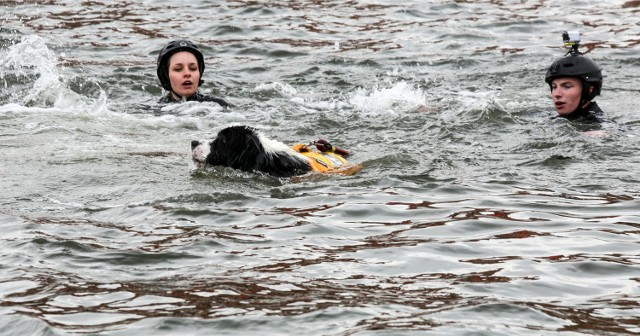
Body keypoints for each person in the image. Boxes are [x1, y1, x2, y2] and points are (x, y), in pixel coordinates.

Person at [544, 32, 603, 123]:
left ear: (590, 90)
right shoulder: (548, 115)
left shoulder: (598, 127)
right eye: (554, 87)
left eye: (567, 86)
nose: (557, 94)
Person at [156, 40, 230, 107]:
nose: (187, 73)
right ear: (166, 76)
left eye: (193, 68)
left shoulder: (218, 105)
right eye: (178, 69)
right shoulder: (154, 110)